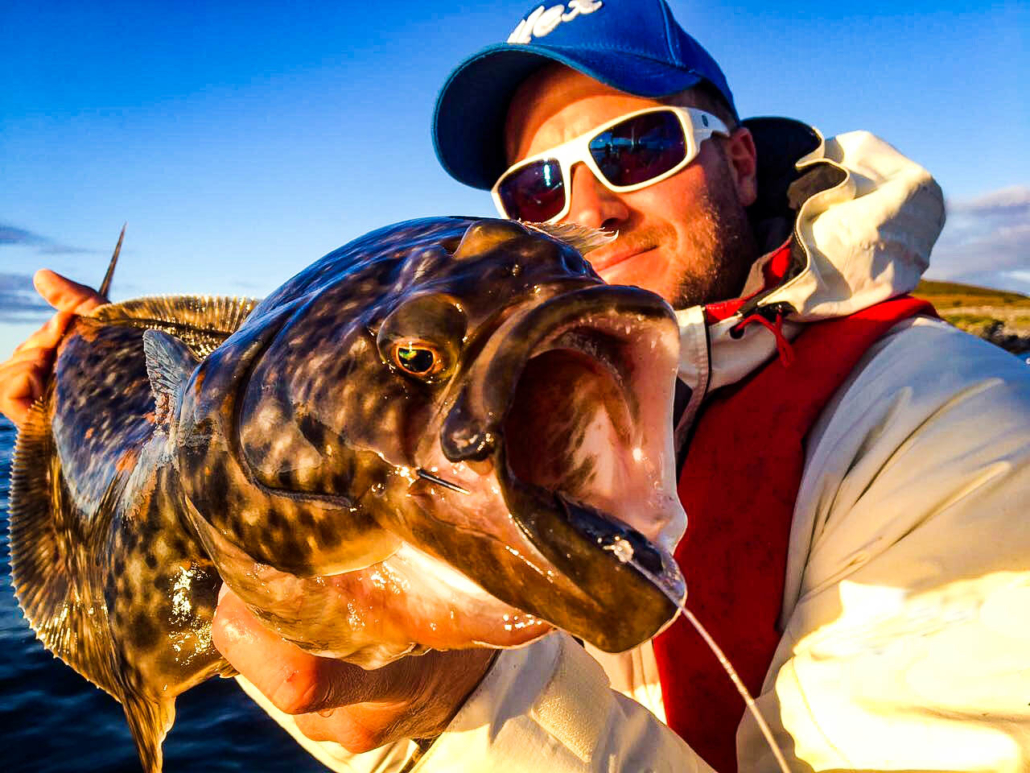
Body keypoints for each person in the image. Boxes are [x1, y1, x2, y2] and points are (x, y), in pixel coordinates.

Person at [4, 2, 1030, 771]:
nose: (590, 208)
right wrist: (78, 395)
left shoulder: (957, 433)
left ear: (741, 160)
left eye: (635, 148)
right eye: (536, 185)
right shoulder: (497, 415)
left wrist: (455, 704)